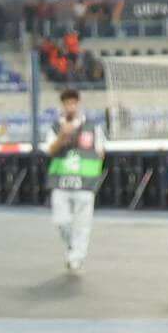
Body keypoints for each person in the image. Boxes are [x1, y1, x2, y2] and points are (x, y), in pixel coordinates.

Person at [46, 84, 102, 274]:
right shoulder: (55, 127)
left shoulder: (93, 127)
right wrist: (63, 136)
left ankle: (77, 257)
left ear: (77, 104)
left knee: (83, 224)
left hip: (85, 182)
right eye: (67, 103)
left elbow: (101, 151)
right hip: (61, 181)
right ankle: (72, 247)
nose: (70, 107)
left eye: (73, 103)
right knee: (61, 221)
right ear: (62, 105)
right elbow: (50, 151)